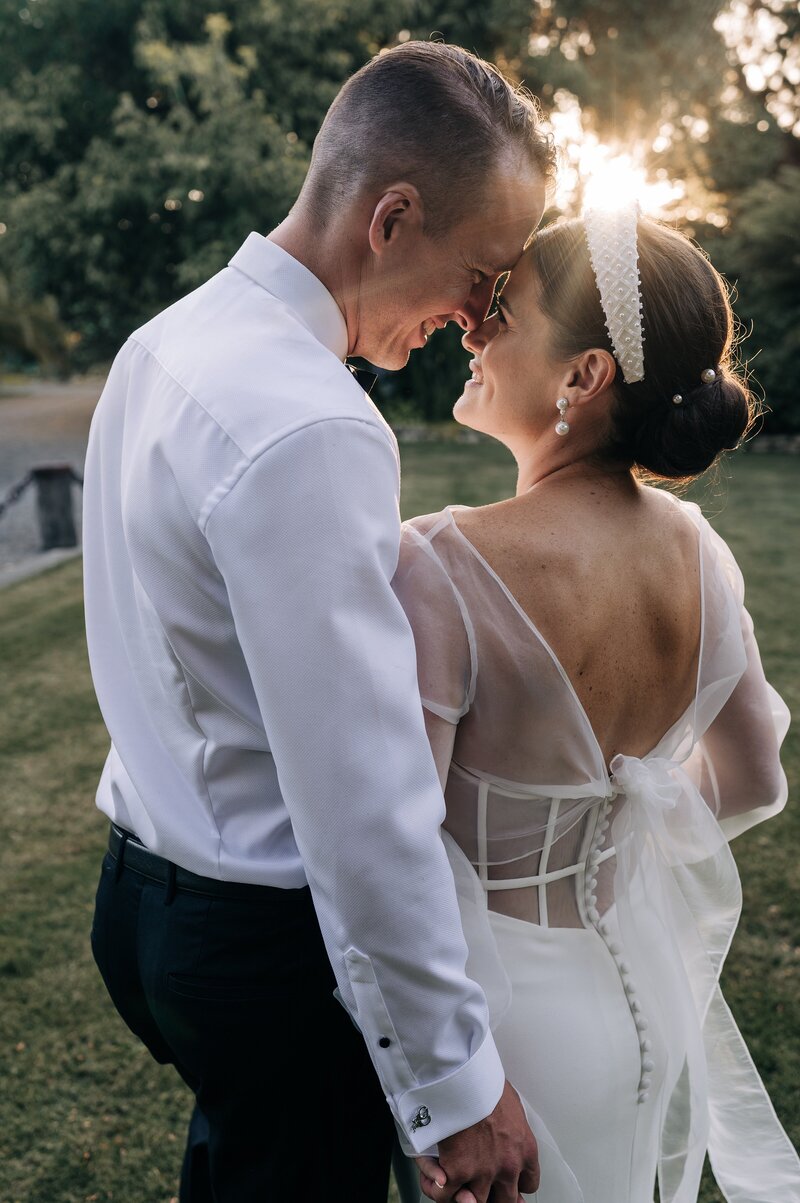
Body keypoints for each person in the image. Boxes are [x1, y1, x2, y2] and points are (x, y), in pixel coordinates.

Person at [83, 40, 555, 1203]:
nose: (475, 320)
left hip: (145, 897)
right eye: (482, 275)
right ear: (391, 218)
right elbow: (362, 796)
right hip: (258, 949)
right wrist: (455, 1086)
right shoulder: (313, 427)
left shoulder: (169, 342)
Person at [392, 206, 799, 1202]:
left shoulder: (439, 565)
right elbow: (751, 778)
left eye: (505, 311)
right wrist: (613, 831)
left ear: (583, 376)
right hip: (634, 1004)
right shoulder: (697, 552)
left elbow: (393, 846)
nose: (472, 325)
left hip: (495, 1034)